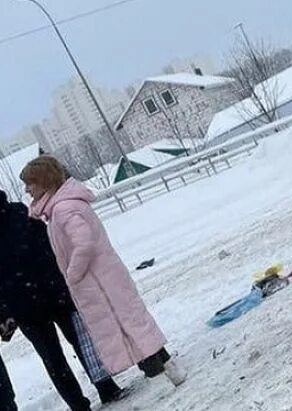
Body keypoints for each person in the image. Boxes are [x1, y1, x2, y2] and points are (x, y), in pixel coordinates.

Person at [20, 157, 184, 389]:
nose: (27, 189)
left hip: (100, 284)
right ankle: (163, 369)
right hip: (102, 281)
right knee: (131, 325)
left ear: (45, 182)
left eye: (31, 183)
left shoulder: (63, 209)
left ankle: (161, 373)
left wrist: (73, 275)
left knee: (128, 326)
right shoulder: (58, 208)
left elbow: (84, 244)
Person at [0, 191, 127, 410]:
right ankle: (105, 387)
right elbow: (48, 246)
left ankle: (79, 403)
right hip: (51, 291)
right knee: (81, 343)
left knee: (54, 358)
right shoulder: (20, 213)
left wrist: (4, 311)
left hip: (25, 304)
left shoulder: (21, 213)